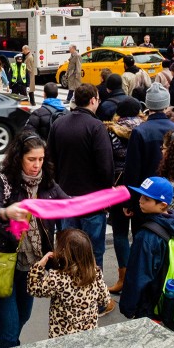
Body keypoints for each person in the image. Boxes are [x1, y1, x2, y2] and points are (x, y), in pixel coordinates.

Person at [0, 131, 68, 348]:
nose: (36, 165)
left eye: (40, 159)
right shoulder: (2, 181)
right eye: (31, 159)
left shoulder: (47, 185)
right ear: (19, 157)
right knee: (9, 328)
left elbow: (68, 203)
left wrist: (100, 199)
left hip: (30, 267)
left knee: (22, 317)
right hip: (1, 263)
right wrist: (6, 212)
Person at [47, 83, 115, 302]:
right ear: (94, 100)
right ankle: (95, 297)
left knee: (68, 248)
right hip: (92, 199)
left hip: (66, 196)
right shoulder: (96, 127)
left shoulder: (59, 124)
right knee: (93, 250)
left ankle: (70, 293)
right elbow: (106, 167)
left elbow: (50, 161)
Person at [119, 176, 174, 348]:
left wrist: (128, 307)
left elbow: (138, 276)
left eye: (147, 199)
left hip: (150, 304)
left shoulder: (146, 237)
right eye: (140, 196)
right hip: (165, 295)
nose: (140, 201)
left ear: (163, 205)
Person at [27, 228, 111, 338]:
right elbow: (105, 300)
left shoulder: (58, 278)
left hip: (62, 336)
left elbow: (33, 288)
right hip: (89, 334)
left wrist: (40, 265)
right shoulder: (95, 273)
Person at [123, 83, 174, 233]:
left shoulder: (140, 131)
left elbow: (132, 170)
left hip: (146, 196)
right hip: (172, 196)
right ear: (166, 103)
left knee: (144, 239)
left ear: (148, 104)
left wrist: (130, 201)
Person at [104, 97, 144, 294]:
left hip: (118, 186)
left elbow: (107, 159)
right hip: (141, 187)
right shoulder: (144, 130)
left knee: (120, 233)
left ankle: (123, 277)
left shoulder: (111, 132)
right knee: (139, 233)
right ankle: (138, 275)